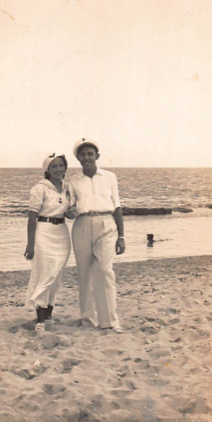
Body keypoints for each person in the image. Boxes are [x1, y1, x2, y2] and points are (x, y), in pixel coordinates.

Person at [67, 138, 125, 334]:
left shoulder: (110, 177)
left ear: (97, 156)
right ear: (79, 158)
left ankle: (109, 321)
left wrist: (121, 236)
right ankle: (87, 319)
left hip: (106, 224)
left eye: (90, 154)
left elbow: (117, 206)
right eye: (83, 155)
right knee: (84, 273)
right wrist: (70, 212)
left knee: (104, 271)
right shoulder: (73, 181)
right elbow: (70, 207)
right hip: (82, 225)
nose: (86, 158)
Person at [24, 153, 72, 332]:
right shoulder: (40, 188)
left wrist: (71, 213)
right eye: (54, 166)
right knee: (44, 274)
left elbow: (66, 210)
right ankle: (40, 320)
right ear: (47, 170)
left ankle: (49, 315)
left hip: (62, 233)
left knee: (56, 276)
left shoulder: (67, 187)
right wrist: (30, 244)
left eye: (61, 166)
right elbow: (32, 216)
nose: (58, 169)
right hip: (44, 233)